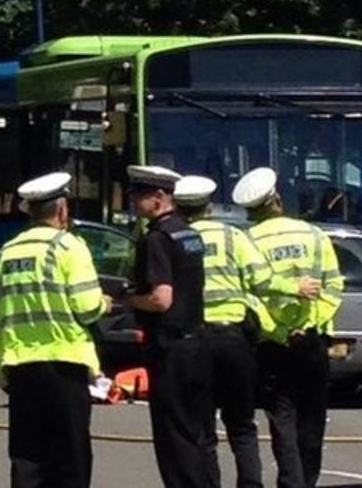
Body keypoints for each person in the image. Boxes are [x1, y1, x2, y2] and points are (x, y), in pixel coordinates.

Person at [174, 176, 322, 488]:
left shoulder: (173, 238)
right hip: (232, 341)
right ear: (209, 206)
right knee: (241, 423)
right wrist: (295, 287)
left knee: (202, 426)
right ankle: (251, 484)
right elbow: (261, 279)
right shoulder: (233, 237)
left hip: (193, 341)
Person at [0, 172, 108, 488]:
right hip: (65, 366)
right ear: (62, 211)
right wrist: (105, 302)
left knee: (27, 458)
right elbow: (87, 306)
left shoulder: (5, 253)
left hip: (20, 369)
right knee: (70, 458)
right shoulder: (68, 246)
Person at [232, 167, 343, 488]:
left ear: (250, 209)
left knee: (282, 418)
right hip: (312, 341)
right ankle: (307, 481)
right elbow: (333, 285)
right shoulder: (313, 234)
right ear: (278, 198)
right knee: (312, 419)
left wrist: (279, 331)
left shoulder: (247, 241)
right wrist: (310, 323)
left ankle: (291, 482)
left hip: (272, 344)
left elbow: (249, 295)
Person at [125, 165, 213, 488]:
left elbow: (161, 299)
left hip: (171, 348)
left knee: (173, 437)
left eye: (139, 195)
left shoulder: (157, 239)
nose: (134, 201)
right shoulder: (189, 233)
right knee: (198, 432)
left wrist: (129, 300)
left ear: (160, 198)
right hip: (197, 341)